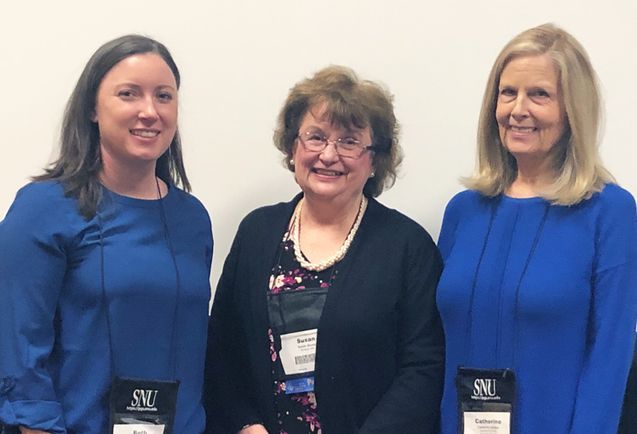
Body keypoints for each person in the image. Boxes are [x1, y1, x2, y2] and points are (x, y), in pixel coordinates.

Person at [204, 65, 444, 434]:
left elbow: (423, 369)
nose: (328, 155)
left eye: (349, 141)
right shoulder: (257, 232)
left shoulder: (407, 247)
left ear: (375, 158)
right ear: (292, 146)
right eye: (315, 137)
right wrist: (245, 425)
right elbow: (222, 348)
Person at [0, 35, 213, 433]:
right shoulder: (42, 209)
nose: (149, 111)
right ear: (93, 109)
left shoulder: (192, 219)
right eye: (129, 94)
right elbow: (19, 354)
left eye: (164, 96)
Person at [436, 23, 637, 434]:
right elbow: (432, 343)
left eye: (539, 94)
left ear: (573, 110)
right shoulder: (462, 212)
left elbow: (611, 356)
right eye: (508, 92)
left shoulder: (610, 212)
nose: (517, 109)